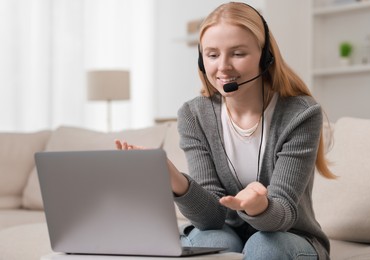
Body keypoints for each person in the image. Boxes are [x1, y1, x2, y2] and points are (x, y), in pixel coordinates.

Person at [116, 2, 336, 259]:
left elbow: (283, 215)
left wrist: (259, 207)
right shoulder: (194, 115)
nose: (223, 67)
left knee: (264, 245)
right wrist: (173, 178)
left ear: (265, 57)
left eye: (238, 54)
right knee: (208, 239)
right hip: (225, 230)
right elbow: (210, 218)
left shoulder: (300, 114)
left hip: (289, 236)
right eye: (212, 55)